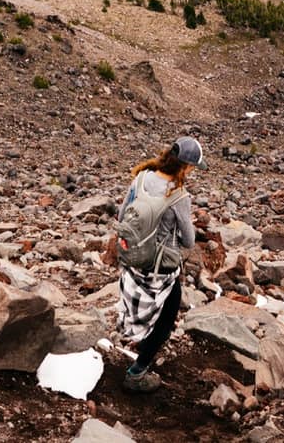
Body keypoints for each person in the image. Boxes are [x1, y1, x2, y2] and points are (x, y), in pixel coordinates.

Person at [113, 135, 204, 394]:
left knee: (143, 311)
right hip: (160, 269)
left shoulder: (141, 178)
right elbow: (188, 241)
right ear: (186, 167)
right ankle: (136, 373)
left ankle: (136, 340)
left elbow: (122, 216)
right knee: (167, 320)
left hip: (132, 260)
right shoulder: (179, 195)